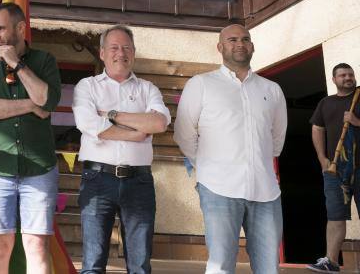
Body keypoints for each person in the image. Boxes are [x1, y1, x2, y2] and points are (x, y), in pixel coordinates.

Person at [173, 24, 287, 274]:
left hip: (265, 192)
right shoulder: (201, 84)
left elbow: (276, 140)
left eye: (245, 39)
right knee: (221, 266)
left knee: (270, 268)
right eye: (232, 39)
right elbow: (184, 134)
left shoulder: (272, 90)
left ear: (253, 46)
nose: (240, 44)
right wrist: (207, 164)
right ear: (220, 47)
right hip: (218, 189)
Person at [0, 2, 62, 274]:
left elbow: (46, 100)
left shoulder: (45, 61)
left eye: (1, 28)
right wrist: (29, 105)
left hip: (39, 167)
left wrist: (17, 64)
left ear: (21, 28)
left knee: (36, 245)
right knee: (0, 245)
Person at [72, 24, 170, 274]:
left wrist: (112, 115)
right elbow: (88, 123)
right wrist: (136, 130)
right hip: (97, 179)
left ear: (134, 53)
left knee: (139, 265)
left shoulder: (148, 88)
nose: (121, 53)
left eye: (127, 47)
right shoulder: (88, 86)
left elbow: (158, 122)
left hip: (139, 182)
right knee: (93, 264)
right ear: (102, 53)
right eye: (114, 47)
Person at [308, 63, 360, 273]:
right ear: (334, 79)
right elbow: (317, 128)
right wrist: (322, 158)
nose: (347, 77)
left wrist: (357, 121)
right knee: (335, 216)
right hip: (335, 170)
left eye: (350, 74)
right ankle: (331, 261)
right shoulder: (325, 103)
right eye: (342, 75)